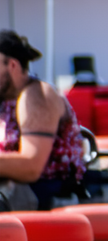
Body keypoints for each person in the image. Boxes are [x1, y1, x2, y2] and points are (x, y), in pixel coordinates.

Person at [0, 31, 86, 211]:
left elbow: (32, 166)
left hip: (45, 192)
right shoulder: (4, 100)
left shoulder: (37, 96)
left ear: (12, 65)